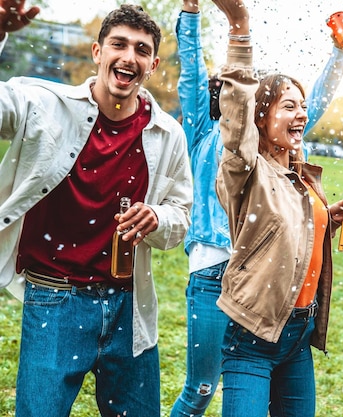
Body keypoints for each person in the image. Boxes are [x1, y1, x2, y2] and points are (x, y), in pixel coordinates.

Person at [0, 2, 192, 416]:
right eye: (118, 44)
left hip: (129, 305)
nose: (129, 57)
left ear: (153, 64)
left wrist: (158, 218)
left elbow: (181, 217)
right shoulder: (43, 103)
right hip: (54, 300)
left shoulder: (167, 133)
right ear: (97, 52)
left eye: (141, 50)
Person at [171, 0, 343, 415]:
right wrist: (191, 14)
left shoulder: (282, 157)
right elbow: (191, 71)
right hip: (212, 270)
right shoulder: (212, 134)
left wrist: (341, 54)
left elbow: (314, 104)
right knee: (201, 388)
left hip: (271, 286)